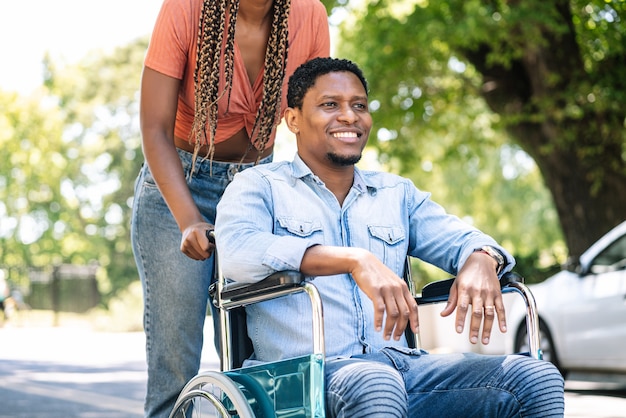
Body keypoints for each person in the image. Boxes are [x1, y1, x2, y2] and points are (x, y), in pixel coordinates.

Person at [215, 57, 565, 417]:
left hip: (402, 370)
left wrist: (481, 257)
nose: (350, 116)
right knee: (374, 383)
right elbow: (238, 253)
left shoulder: (397, 194)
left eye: (360, 106)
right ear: (293, 120)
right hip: (299, 377)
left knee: (534, 377)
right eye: (330, 105)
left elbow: (461, 238)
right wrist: (353, 260)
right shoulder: (259, 186)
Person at [130, 0, 330, 416]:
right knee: (175, 366)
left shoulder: (309, 14)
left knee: (259, 358)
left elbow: (314, 120)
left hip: (256, 188)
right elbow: (154, 127)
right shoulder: (186, 8)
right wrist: (189, 220)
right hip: (179, 187)